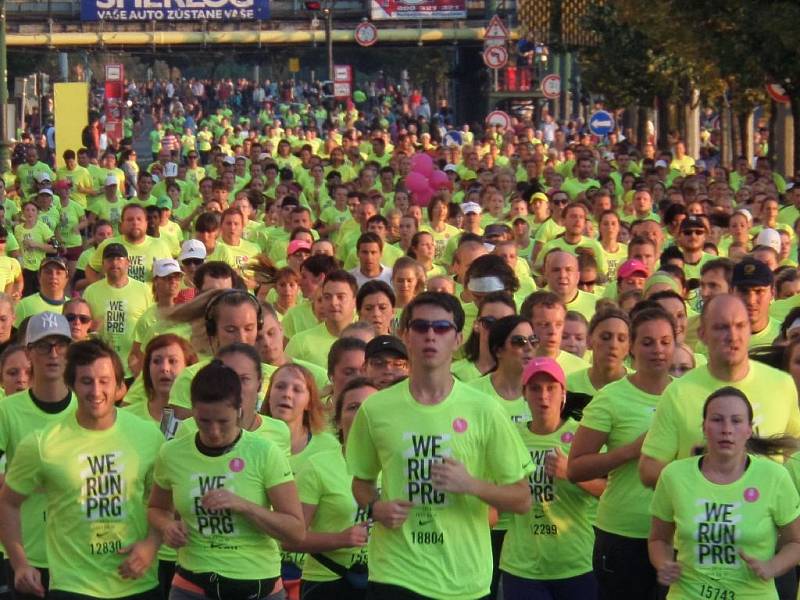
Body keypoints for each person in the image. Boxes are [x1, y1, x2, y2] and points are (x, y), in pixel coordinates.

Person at [346, 291, 534, 599]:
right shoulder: (375, 409)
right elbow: (361, 482)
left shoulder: (484, 409)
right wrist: (375, 507)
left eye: (442, 328)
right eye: (420, 327)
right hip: (396, 572)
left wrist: (470, 485)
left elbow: (522, 498)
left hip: (464, 579)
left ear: (458, 338)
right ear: (405, 335)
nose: (430, 335)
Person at [0, 339, 164, 599]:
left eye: (104, 381)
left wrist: (150, 546)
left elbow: (164, 504)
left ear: (119, 385)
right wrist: (19, 563)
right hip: (73, 586)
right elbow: (8, 502)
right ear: (72, 385)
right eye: (86, 381)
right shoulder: (42, 443)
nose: (96, 391)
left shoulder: (148, 436)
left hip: (137, 582)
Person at [148, 360, 305, 600]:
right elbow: (157, 508)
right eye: (204, 421)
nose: (214, 431)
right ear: (193, 411)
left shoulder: (264, 452)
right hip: (193, 583)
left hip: (257, 585)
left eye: (223, 421)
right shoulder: (172, 453)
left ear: (239, 410)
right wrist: (167, 526)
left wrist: (244, 506)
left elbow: (296, 531)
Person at [649, 388, 800, 600]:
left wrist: (772, 566)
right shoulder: (674, 475)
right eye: (717, 420)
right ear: (704, 427)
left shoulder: (774, 477)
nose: (726, 429)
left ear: (749, 430)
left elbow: (796, 542)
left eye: (736, 421)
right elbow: (658, 539)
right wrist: (664, 563)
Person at [568, 306, 677, 600]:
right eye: (648, 342)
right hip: (623, 534)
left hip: (676, 536)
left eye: (665, 342)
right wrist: (630, 451)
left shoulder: (687, 397)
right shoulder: (611, 398)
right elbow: (576, 468)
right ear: (632, 347)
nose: (658, 350)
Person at [639, 294, 800, 488]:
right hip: (700, 513)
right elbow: (648, 470)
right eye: (721, 327)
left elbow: (792, 449)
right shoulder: (679, 392)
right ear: (702, 334)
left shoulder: (781, 384)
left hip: (764, 516)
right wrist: (703, 475)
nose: (732, 336)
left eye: (740, 326)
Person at [500, 357, 604, 600]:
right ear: (524, 394)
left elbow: (608, 491)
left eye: (551, 388)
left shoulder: (581, 435)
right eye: (535, 389)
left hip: (575, 563)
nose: (543, 396)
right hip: (522, 565)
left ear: (563, 393)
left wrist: (572, 474)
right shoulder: (511, 437)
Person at [0, 312, 75, 599]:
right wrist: (23, 480)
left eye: (60, 345)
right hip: (25, 552)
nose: (53, 354)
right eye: (44, 346)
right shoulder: (8, 411)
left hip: (77, 556)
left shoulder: (86, 407)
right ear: (29, 352)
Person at [467, 314, 536, 597]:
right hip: (485, 521)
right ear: (497, 350)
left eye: (534, 340)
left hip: (529, 523)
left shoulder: (544, 393)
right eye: (519, 342)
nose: (529, 348)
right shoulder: (472, 396)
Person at [293, 377, 379, 599]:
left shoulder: (397, 465)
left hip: (385, 580)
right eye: (353, 407)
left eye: (371, 407)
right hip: (328, 583)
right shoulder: (317, 466)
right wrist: (341, 539)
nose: (363, 413)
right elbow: (290, 537)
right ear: (339, 420)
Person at [262, 363, 337, 599]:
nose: (287, 394)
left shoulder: (328, 447)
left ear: (309, 402)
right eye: (280, 387)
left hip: (310, 569)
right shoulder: (250, 443)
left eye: (297, 389)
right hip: (261, 564)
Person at [83, 243, 153, 380]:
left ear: (128, 263)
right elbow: (84, 326)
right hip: (101, 368)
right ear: (103, 265)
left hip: (135, 369)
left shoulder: (144, 290)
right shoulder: (90, 291)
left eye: (119, 259)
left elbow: (152, 327)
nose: (114, 263)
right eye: (109, 259)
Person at [285, 270, 357, 368]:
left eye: (341, 297)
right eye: (327, 297)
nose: (333, 302)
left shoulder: (368, 340)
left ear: (355, 301)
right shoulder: (300, 343)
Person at [452, 291, 516, 382]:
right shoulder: (454, 374)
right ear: (476, 325)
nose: (497, 329)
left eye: (505, 323)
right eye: (490, 322)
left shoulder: (524, 376)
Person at [14, 256, 70, 327]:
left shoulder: (73, 308)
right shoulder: (24, 306)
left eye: (58, 273)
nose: (53, 276)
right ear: (39, 276)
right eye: (48, 272)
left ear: (67, 278)